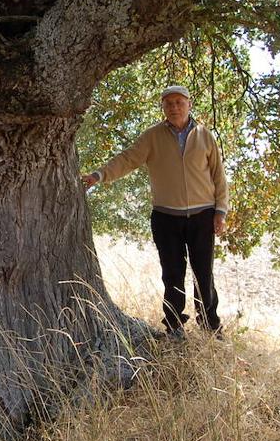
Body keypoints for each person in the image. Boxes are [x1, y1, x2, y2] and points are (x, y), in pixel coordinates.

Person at [81, 85, 229, 339]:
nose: (174, 107)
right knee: (172, 274)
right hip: (166, 217)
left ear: (189, 104)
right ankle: (174, 327)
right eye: (168, 103)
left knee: (203, 273)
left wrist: (221, 211)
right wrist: (99, 175)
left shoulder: (205, 136)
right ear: (163, 107)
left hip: (202, 216)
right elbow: (127, 159)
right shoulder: (153, 136)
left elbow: (219, 175)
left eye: (179, 102)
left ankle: (210, 326)